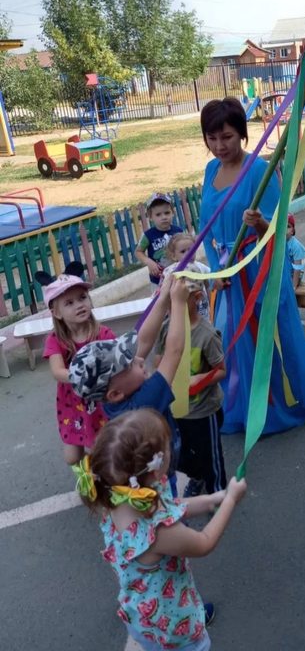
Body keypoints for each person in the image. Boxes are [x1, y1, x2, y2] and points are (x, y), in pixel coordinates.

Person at [199, 97, 305, 435]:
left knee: (276, 336)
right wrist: (215, 272)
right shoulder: (210, 171)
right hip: (228, 272)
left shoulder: (259, 172)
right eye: (212, 138)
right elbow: (207, 226)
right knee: (235, 345)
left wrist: (260, 222)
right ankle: (246, 407)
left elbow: (279, 230)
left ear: (242, 134)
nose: (219, 146)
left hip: (259, 268)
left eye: (227, 137)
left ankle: (282, 404)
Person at [73, 408, 247, 651]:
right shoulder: (157, 532)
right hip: (174, 629)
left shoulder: (119, 495)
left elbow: (170, 507)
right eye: (168, 446)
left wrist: (213, 499)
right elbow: (204, 542)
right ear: (156, 468)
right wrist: (230, 501)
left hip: (141, 617)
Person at [69, 277, 190, 497]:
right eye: (130, 364)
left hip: (146, 470)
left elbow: (143, 342)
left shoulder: (114, 397)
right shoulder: (143, 404)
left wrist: (163, 297)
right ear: (115, 393)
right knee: (168, 510)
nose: (140, 360)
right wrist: (179, 303)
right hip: (159, 473)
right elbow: (174, 351)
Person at [154, 263, 227, 500]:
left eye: (180, 299)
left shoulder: (207, 334)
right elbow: (158, 362)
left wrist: (200, 378)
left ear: (197, 298)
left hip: (203, 411)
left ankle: (218, 495)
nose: (172, 306)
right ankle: (198, 476)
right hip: (175, 410)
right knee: (178, 454)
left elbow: (221, 371)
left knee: (211, 456)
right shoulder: (165, 329)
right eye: (169, 300)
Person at [40, 263, 112, 466]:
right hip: (72, 404)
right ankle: (91, 471)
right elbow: (57, 371)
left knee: (103, 448)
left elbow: (117, 362)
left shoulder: (103, 333)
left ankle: (103, 474)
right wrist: (83, 375)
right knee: (72, 458)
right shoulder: (55, 339)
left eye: (82, 298)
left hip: (100, 400)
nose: (79, 305)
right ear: (56, 313)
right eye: (69, 303)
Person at [136, 193, 183, 292]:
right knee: (159, 300)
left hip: (178, 276)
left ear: (173, 213)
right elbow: (138, 252)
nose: (164, 217)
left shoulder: (179, 232)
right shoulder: (148, 235)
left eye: (167, 213)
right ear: (150, 217)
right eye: (158, 214)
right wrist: (149, 262)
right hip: (158, 280)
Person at [163, 233, 212, 318]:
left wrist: (212, 304)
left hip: (202, 311)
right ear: (174, 256)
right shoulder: (171, 272)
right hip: (181, 313)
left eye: (192, 250)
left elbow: (208, 285)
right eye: (183, 251)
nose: (189, 254)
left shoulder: (200, 267)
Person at [286, 212, 305, 290]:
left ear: (293, 231)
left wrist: (294, 285)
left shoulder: (296, 246)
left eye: (288, 226)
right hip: (283, 272)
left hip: (294, 274)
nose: (284, 229)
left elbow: (297, 267)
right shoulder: (277, 243)